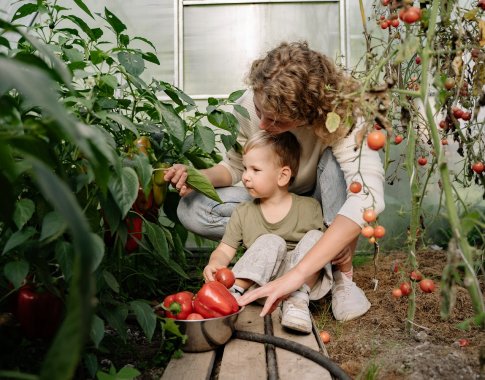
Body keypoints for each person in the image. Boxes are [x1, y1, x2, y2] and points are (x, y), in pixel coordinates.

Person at [165, 41, 385, 321]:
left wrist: (298, 275)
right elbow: (234, 167)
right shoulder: (250, 103)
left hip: (319, 206)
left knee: (339, 170)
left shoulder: (343, 114)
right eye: (261, 113)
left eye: (279, 122)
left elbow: (368, 196)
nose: (265, 127)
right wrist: (197, 177)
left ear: (309, 114)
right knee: (192, 207)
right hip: (271, 198)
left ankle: (340, 276)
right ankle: (278, 254)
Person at [203, 130, 331, 333]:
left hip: (297, 284)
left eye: (255, 170)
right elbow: (224, 250)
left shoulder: (309, 207)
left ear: (282, 176)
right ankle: (234, 293)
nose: (245, 177)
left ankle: (296, 302)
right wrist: (214, 264)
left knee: (318, 238)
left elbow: (326, 252)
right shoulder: (243, 212)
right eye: (245, 168)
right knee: (272, 241)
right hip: (258, 284)